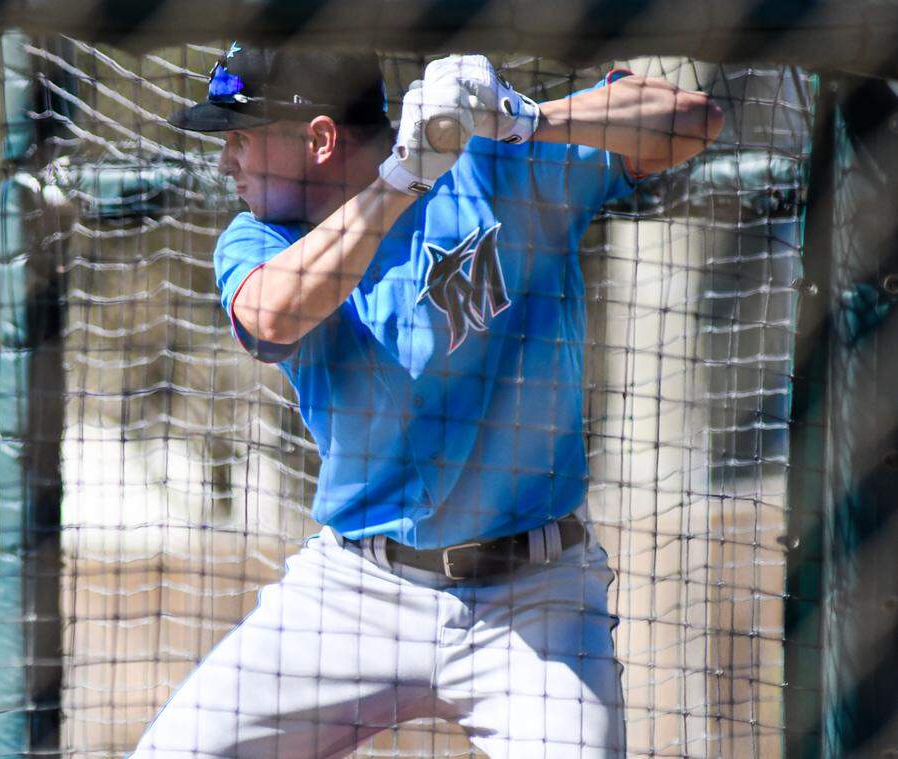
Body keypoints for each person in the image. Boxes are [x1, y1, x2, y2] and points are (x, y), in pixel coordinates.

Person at [134, 45, 723, 758]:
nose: (225, 160)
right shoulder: (261, 235)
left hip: (536, 597)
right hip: (356, 591)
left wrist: (531, 118)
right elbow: (270, 316)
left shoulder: (499, 165)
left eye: (239, 137)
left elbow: (692, 119)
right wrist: (402, 182)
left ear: (319, 140)